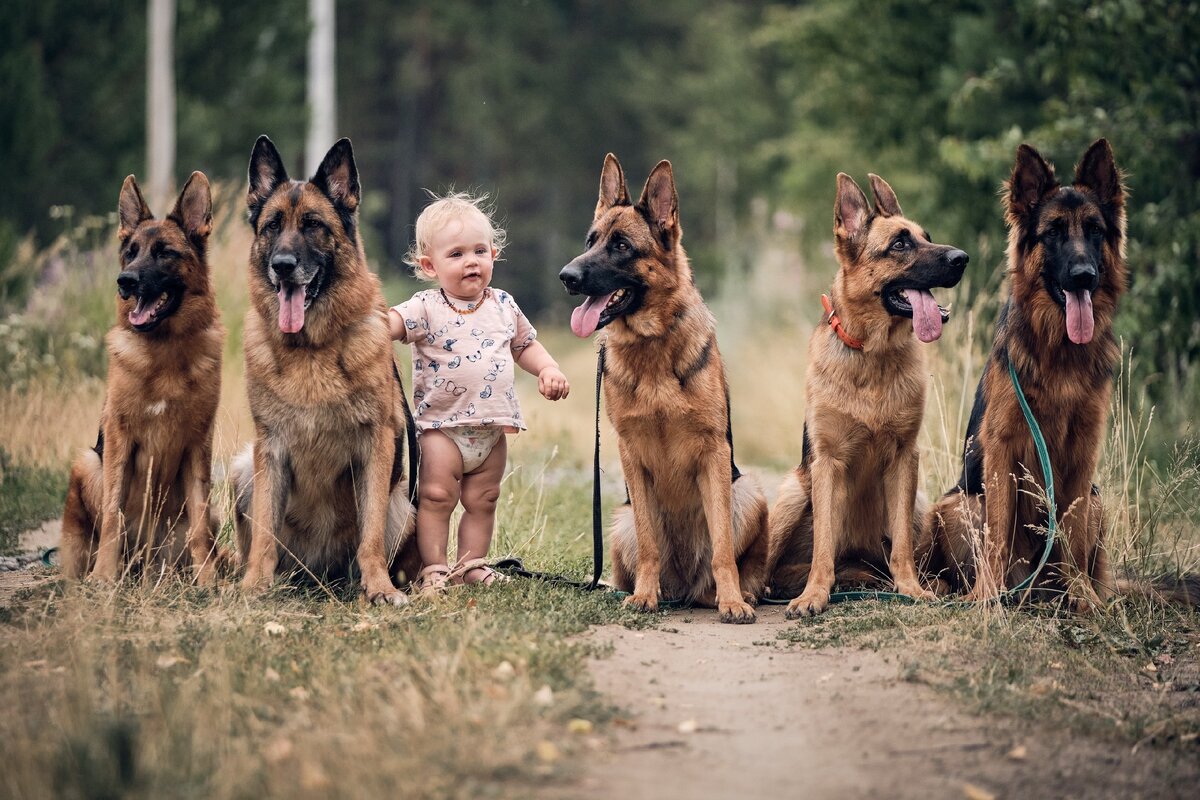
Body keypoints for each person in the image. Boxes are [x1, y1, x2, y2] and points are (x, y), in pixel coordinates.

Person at [389, 193, 570, 595]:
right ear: (429, 266)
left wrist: (548, 368)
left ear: (494, 253)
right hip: (442, 429)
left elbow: (525, 345)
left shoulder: (503, 304)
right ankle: (434, 567)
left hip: (491, 430)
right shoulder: (427, 306)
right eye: (456, 254)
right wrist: (371, 326)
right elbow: (393, 323)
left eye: (479, 251)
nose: (471, 261)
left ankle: (471, 565)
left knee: (483, 499)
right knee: (436, 497)